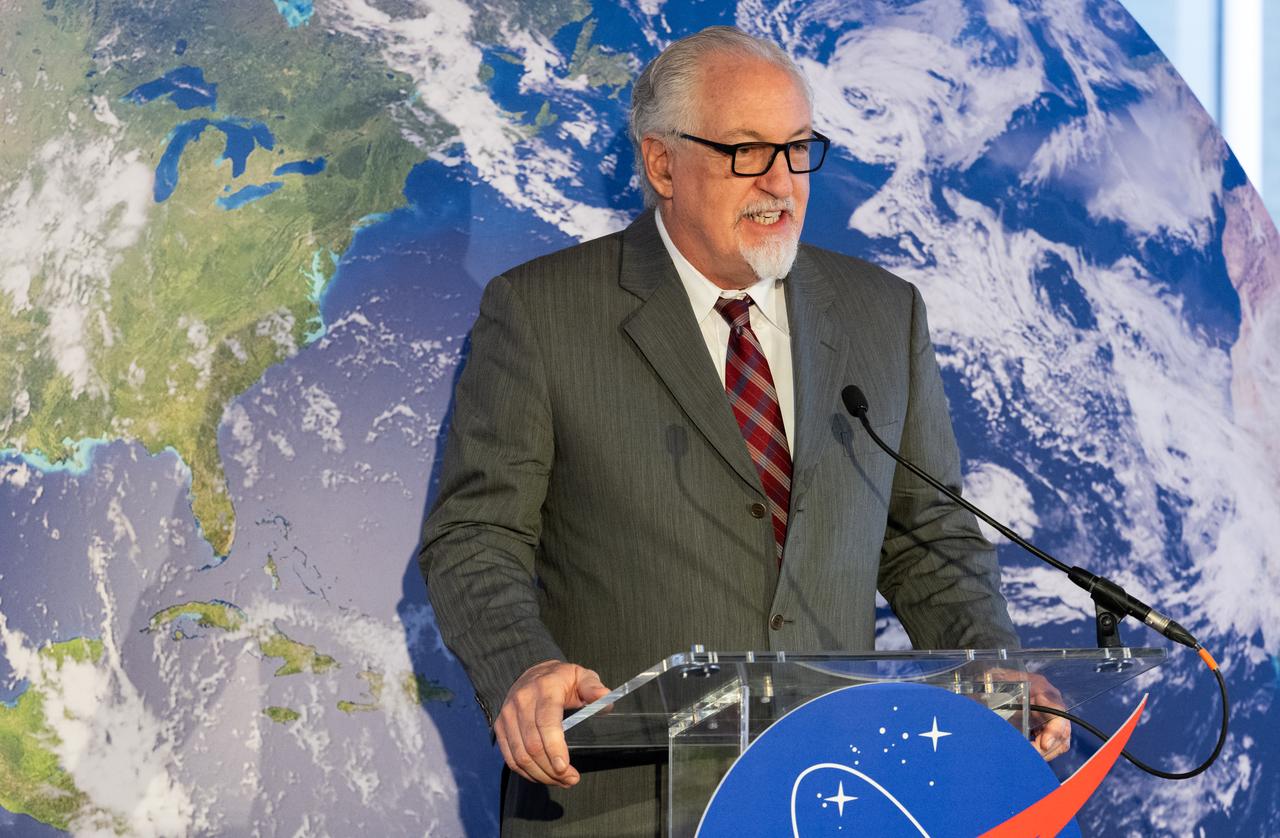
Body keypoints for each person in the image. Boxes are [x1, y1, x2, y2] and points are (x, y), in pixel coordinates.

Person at [419, 25, 1069, 836]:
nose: (781, 183)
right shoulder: (543, 313)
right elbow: (476, 534)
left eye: (797, 149)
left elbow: (924, 533)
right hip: (621, 806)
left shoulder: (882, 312)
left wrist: (989, 667)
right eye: (746, 152)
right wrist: (526, 668)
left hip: (832, 799)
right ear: (662, 164)